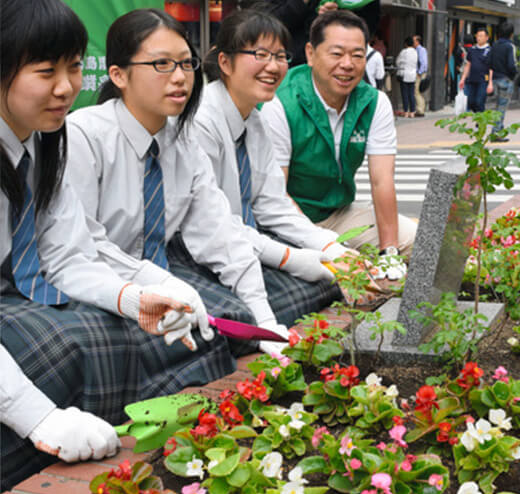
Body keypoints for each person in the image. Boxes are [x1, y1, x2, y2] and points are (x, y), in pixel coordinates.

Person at [1, 0, 236, 491]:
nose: (66, 88)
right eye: (46, 71)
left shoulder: (46, 141)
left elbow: (67, 255)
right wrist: (39, 419)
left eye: (70, 68)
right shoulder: (85, 135)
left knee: (131, 330)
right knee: (64, 348)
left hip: (23, 291)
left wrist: (135, 300)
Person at [64, 8, 293, 359]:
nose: (180, 77)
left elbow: (220, 231)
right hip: (98, 281)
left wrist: (263, 318)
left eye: (186, 64)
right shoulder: (85, 136)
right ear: (118, 75)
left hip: (157, 271)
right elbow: (82, 247)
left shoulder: (182, 142)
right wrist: (155, 284)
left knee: (256, 311)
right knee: (120, 349)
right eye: (161, 65)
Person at [194, 9, 358, 318]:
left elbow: (273, 204)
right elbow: (211, 224)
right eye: (260, 54)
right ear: (225, 62)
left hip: (246, 243)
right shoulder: (202, 120)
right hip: (206, 251)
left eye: (281, 56)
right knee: (252, 314)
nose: (273, 67)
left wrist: (329, 246)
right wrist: (292, 258)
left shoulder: (254, 120)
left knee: (326, 284)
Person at [261, 10, 417, 278]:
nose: (347, 64)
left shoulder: (374, 102)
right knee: (344, 270)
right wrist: (326, 245)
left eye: (357, 55)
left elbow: (382, 181)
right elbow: (277, 195)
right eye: (336, 53)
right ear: (310, 53)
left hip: (339, 214)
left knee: (421, 243)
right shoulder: (280, 102)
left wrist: (389, 251)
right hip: (285, 220)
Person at [489, 21, 517, 141]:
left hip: (494, 79)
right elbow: (511, 65)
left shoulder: (494, 45)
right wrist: (513, 75)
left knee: (495, 108)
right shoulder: (510, 46)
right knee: (501, 108)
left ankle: (496, 131)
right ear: (511, 34)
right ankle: (496, 133)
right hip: (505, 80)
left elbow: (489, 62)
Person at [459, 27, 493, 113]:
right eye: (478, 36)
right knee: (470, 101)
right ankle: (478, 116)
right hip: (471, 79)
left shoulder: (490, 51)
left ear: (487, 37)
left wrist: (490, 83)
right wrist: (463, 79)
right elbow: (468, 65)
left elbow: (491, 68)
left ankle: (480, 121)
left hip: (483, 80)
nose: (479, 38)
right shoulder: (472, 50)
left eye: (481, 36)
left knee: (479, 101)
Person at [396, 36, 418, 118]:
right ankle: (412, 112)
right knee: (411, 94)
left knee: (404, 94)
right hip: (412, 75)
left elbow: (398, 62)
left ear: (405, 43)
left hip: (404, 75)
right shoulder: (415, 52)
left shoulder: (404, 52)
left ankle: (406, 112)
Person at [412, 34, 428, 117]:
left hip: (420, 74)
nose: (412, 42)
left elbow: (424, 63)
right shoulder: (416, 50)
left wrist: (419, 72)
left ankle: (420, 110)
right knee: (418, 92)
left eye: (414, 41)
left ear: (417, 41)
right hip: (420, 73)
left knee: (417, 91)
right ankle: (420, 109)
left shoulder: (421, 50)